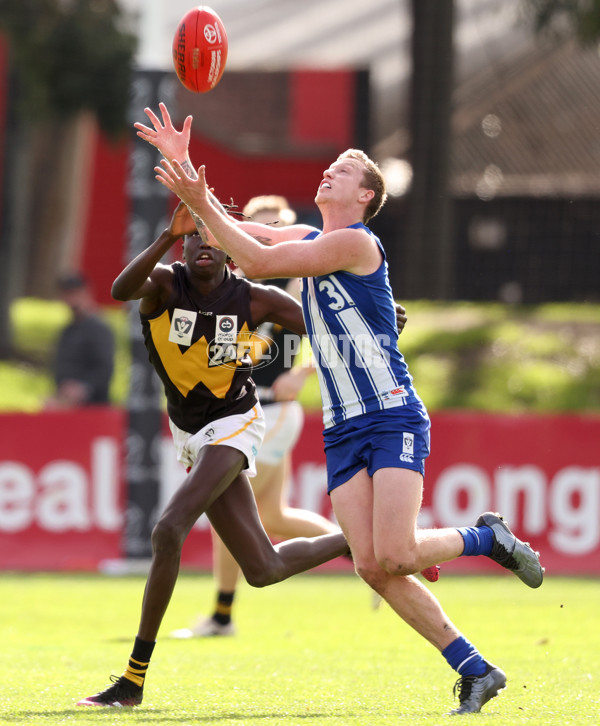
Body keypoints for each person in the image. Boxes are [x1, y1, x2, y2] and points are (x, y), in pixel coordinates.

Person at [145, 102, 544, 716]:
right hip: (341, 428)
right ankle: (475, 668)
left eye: (343, 169)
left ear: (365, 196)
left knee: (399, 554)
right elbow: (240, 231)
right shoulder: (311, 235)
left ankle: (483, 536)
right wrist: (185, 169)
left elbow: (255, 263)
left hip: (389, 413)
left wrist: (203, 201)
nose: (329, 172)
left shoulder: (357, 243)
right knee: (373, 567)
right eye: (330, 166)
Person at [76, 201, 350, 708]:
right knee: (263, 568)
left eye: (214, 238)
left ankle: (132, 681)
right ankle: (361, 539)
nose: (204, 245)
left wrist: (374, 317)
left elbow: (321, 326)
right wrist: (162, 237)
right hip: (190, 433)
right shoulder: (163, 284)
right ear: (183, 247)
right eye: (193, 238)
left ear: (231, 251)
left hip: (237, 424)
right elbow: (118, 291)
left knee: (167, 529)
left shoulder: (256, 298)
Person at [171, 194, 341, 639]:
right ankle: (366, 547)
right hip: (246, 408)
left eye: (270, 226)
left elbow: (321, 329)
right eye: (252, 226)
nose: (259, 235)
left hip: (267, 408)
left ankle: (222, 616)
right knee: (273, 516)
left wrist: (302, 371)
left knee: (225, 509)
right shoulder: (231, 279)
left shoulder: (291, 274)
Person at [45, 273, 115, 408]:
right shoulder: (67, 331)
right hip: (66, 404)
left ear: (85, 292)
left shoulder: (99, 329)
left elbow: (105, 369)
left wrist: (82, 388)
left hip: (93, 408)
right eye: (66, 293)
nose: (70, 299)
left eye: (73, 293)